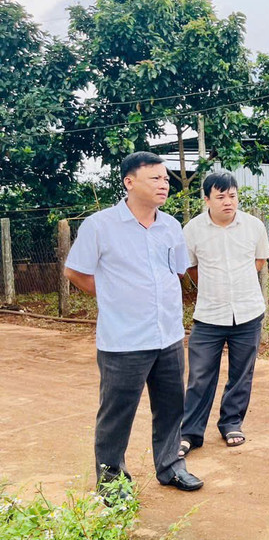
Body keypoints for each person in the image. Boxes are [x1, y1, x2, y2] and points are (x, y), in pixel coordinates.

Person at [64, 151, 203, 500]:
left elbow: (178, 272)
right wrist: (113, 294)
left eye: (166, 179)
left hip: (168, 334)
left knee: (171, 407)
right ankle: (111, 482)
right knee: (117, 413)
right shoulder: (100, 226)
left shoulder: (171, 226)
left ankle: (171, 466)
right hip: (123, 340)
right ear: (129, 182)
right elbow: (75, 271)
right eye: (155, 178)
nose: (164, 184)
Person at [178, 172, 269, 458]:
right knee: (200, 376)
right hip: (209, 316)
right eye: (220, 196)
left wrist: (238, 285)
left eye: (232, 195)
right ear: (206, 199)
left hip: (248, 312)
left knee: (242, 374)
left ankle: (231, 422)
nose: (228, 201)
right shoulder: (192, 230)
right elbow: (190, 267)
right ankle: (190, 432)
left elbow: (259, 260)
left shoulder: (254, 226)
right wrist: (213, 285)